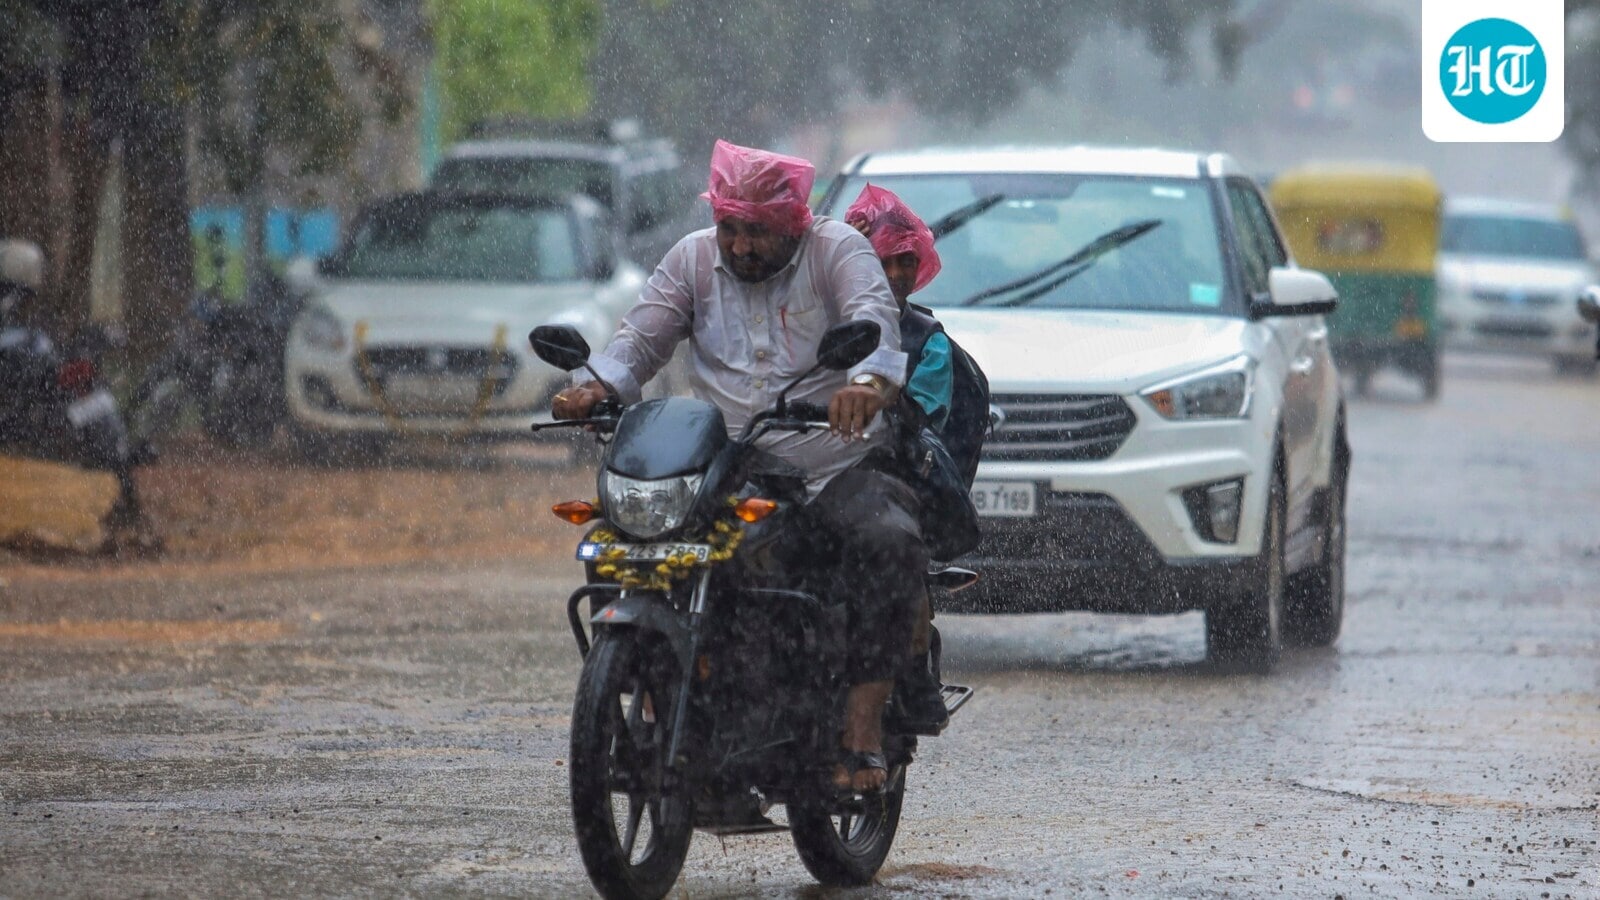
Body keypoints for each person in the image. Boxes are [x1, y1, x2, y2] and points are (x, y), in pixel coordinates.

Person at [552, 140, 926, 792]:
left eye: (759, 232)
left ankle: (862, 733)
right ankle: (671, 698)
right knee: (640, 541)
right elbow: (640, 339)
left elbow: (875, 324)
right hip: (732, 462)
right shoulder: (693, 258)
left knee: (886, 541)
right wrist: (598, 387)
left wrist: (866, 385)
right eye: (730, 227)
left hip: (834, 461)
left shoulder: (838, 250)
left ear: (796, 223)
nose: (741, 244)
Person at [845, 184, 954, 733]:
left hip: (893, 467)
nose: (895, 275)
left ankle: (914, 675)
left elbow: (921, 418)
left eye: (906, 261)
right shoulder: (817, 314)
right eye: (880, 261)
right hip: (815, 463)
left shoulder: (928, 341)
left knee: (898, 552)